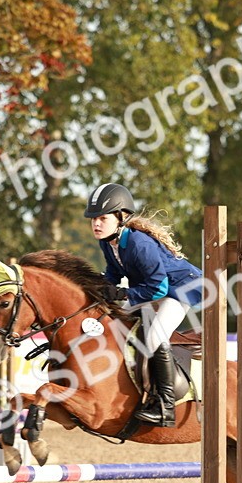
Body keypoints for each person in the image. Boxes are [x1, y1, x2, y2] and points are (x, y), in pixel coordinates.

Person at [84, 182, 203, 427]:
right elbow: (113, 274)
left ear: (120, 217)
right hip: (153, 289)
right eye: (93, 219)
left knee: (154, 338)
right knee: (111, 320)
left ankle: (166, 406)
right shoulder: (108, 242)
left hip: (178, 290)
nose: (96, 224)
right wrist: (95, 290)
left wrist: (122, 294)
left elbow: (158, 288)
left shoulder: (140, 244)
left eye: (102, 218)